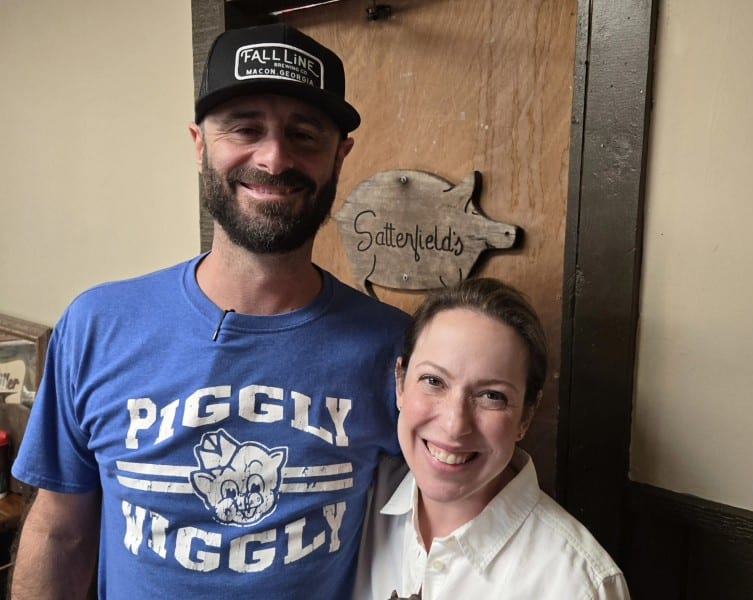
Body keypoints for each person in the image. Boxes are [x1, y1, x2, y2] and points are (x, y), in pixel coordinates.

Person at [10, 23, 409, 600]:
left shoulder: (397, 349)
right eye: (245, 129)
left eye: (304, 135)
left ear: (339, 156)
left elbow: (442, 533)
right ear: (199, 144)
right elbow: (59, 534)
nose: (274, 158)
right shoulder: (97, 327)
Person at [355, 278, 630, 599]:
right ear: (400, 383)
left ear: (526, 416)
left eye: (491, 396)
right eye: (433, 380)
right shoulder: (353, 502)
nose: (454, 425)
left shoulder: (579, 584)